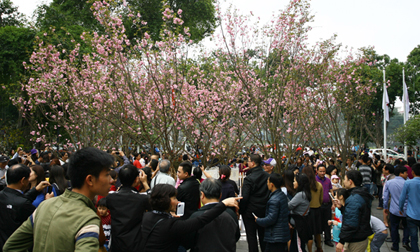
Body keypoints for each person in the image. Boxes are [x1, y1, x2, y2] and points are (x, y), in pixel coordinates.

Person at [3, 147, 114, 252]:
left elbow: (11, 247)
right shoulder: (88, 219)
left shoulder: (44, 206)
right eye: (107, 174)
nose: (111, 180)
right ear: (90, 180)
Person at [140, 184, 241, 252]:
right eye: (174, 198)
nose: (177, 201)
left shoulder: (147, 216)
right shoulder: (171, 225)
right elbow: (201, 220)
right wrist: (223, 204)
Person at [0, 164, 50, 251]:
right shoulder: (23, 205)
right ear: (23, 181)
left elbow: (17, 199)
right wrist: (48, 202)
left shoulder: (3, 195)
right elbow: (41, 220)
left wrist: (35, 190)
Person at [106, 164, 151, 252]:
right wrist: (145, 183)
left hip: (116, 244)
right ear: (136, 179)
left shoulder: (111, 197)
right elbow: (154, 201)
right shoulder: (141, 199)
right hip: (135, 244)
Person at [186, 178, 240, 252]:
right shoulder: (231, 214)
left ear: (202, 195)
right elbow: (236, 236)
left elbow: (188, 241)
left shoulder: (196, 216)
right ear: (220, 195)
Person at [335, 170, 373, 252]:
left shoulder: (354, 198)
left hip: (356, 240)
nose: (344, 182)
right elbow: (354, 215)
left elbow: (351, 223)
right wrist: (342, 208)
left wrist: (341, 241)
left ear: (350, 181)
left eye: (345, 179)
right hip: (360, 236)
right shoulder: (361, 193)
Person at [239, 154, 270, 252]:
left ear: (252, 163)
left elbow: (245, 197)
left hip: (250, 212)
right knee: (263, 237)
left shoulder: (249, 178)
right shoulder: (267, 176)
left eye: (248, 161)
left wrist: (241, 211)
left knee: (251, 238)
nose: (247, 163)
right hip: (264, 210)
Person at [255, 173, 290, 252]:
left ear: (272, 184)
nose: (267, 184)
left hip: (275, 236)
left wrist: (258, 220)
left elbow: (271, 219)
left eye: (267, 182)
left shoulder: (274, 199)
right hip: (281, 235)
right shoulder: (282, 195)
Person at [383, 165, 411, 251]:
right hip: (407, 209)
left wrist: (385, 207)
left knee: (394, 227)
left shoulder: (389, 182)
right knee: (407, 226)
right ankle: (405, 240)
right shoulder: (408, 182)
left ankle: (395, 245)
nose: (407, 174)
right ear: (401, 173)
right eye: (406, 172)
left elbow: (385, 196)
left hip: (394, 209)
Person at [399, 163, 420, 252]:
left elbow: (402, 198)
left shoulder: (408, 183)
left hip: (411, 214)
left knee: (413, 237)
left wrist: (401, 208)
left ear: (413, 172)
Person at [288, 173, 312, 252]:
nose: (293, 183)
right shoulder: (306, 193)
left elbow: (289, 206)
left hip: (298, 224)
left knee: (298, 247)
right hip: (303, 223)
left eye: (295, 181)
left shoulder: (300, 195)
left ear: (300, 183)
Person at [302, 166, 323, 252]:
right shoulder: (318, 185)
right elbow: (321, 199)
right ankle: (319, 247)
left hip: (307, 211)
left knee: (308, 233)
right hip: (317, 210)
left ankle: (308, 250)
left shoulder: (303, 186)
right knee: (317, 231)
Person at [316, 164, 334, 247]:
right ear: (317, 171)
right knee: (318, 223)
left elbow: (331, 191)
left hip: (327, 205)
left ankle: (328, 239)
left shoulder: (328, 180)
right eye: (321, 171)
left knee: (328, 223)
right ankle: (318, 240)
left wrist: (333, 202)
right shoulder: (315, 180)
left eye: (324, 171)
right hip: (319, 205)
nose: (322, 173)